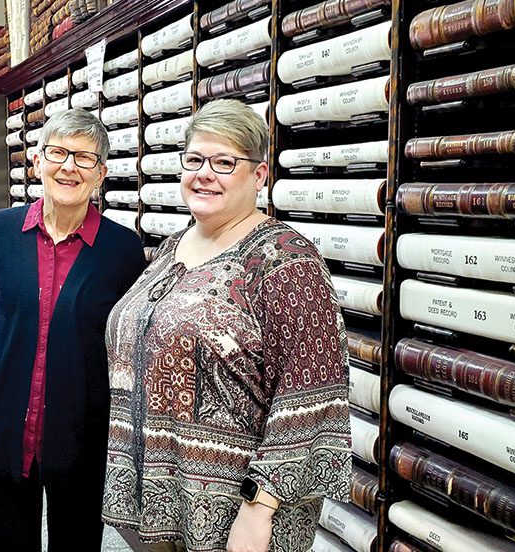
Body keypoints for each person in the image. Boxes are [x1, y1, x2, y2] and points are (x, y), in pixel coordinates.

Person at [102, 99, 352, 552]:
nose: (204, 173)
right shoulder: (171, 248)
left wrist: (260, 507)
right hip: (159, 504)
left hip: (236, 517)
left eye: (224, 162)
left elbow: (314, 395)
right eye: (194, 159)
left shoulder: (284, 260)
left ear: (258, 176)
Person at [0, 108, 146, 551]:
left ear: (101, 174)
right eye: (58, 153)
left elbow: (122, 346)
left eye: (85, 158)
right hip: (6, 422)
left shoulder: (123, 249)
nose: (69, 167)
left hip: (82, 433)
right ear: (36, 162)